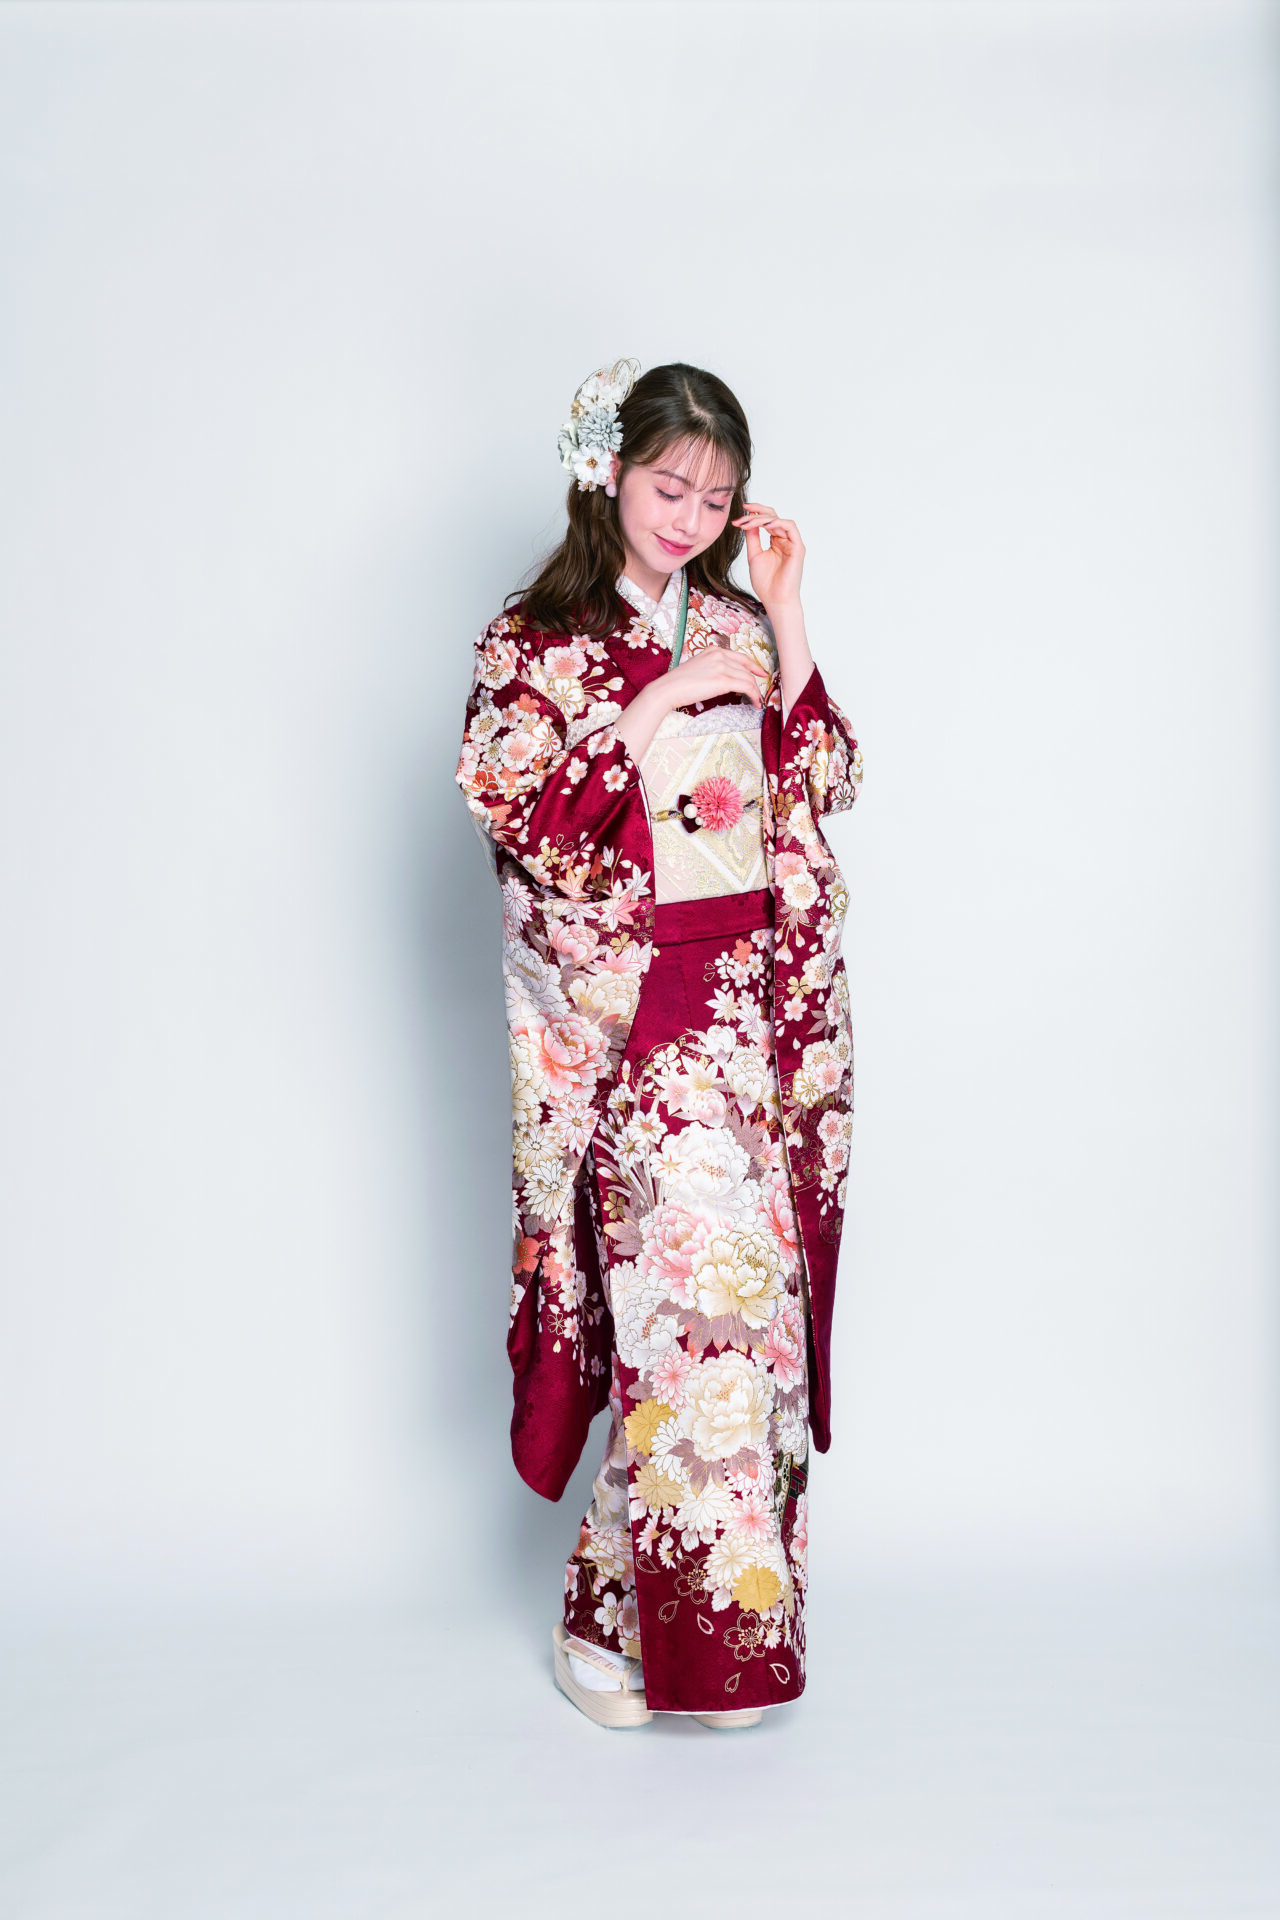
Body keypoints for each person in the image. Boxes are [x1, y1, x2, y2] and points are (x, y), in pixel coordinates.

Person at [454, 359, 863, 1730]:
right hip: (636, 1016)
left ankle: (685, 1636)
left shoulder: (737, 619)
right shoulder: (536, 639)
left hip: (752, 1006)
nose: (690, 519)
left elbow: (826, 785)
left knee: (755, 1332)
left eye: (716, 498)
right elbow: (518, 814)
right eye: (668, 487)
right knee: (687, 1318)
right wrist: (645, 710)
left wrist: (787, 615)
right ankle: (625, 1629)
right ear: (609, 473)